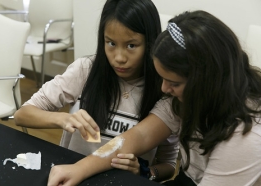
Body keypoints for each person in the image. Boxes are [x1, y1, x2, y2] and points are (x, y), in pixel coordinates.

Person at [47, 10, 261, 186]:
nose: (164, 88)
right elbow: (138, 136)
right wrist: (79, 169)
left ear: (206, 81)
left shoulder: (244, 137)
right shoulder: (188, 99)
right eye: (162, 78)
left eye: (174, 83)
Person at [14, 0, 179, 182]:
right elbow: (22, 114)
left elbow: (169, 165)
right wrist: (62, 118)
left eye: (131, 46)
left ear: (150, 42)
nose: (119, 58)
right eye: (111, 43)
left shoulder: (166, 88)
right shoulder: (85, 70)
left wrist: (145, 171)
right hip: (72, 175)